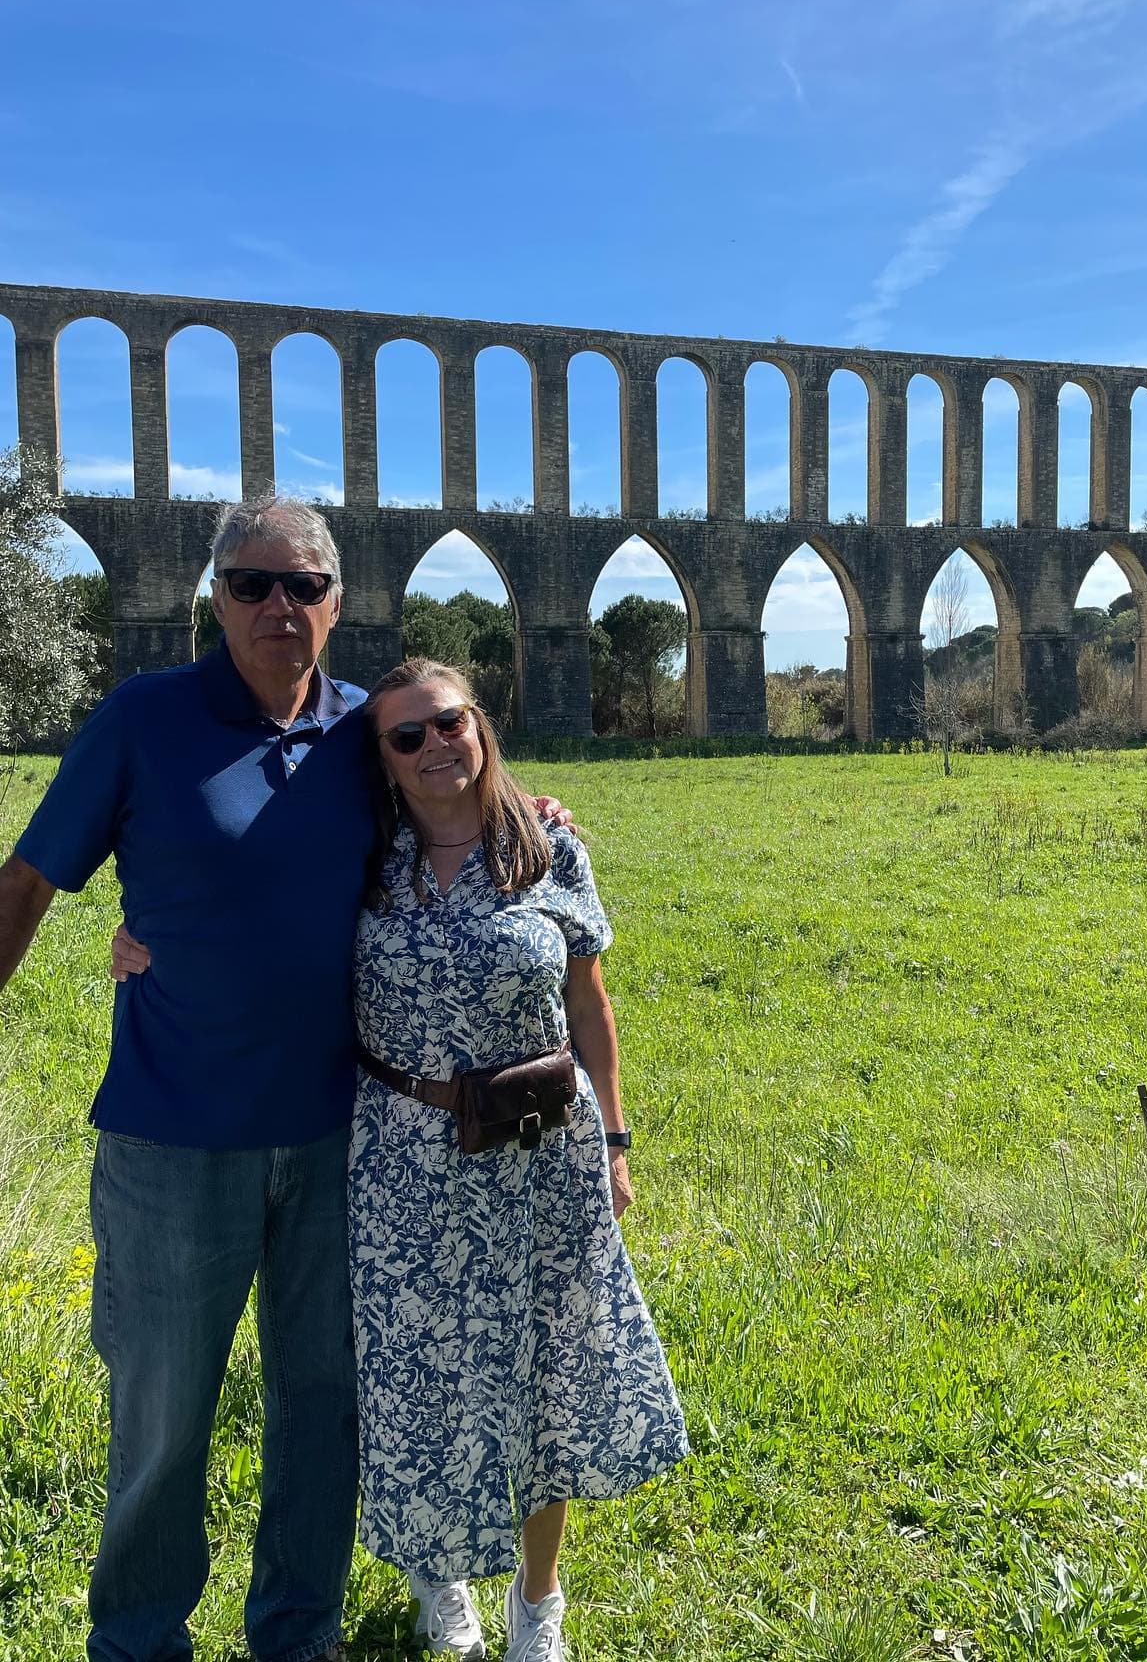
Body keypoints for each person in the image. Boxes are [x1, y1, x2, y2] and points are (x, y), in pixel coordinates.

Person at [0, 495, 570, 1662]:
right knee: (162, 1421)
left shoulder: (369, 735)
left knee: (324, 1411)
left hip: (338, 1140)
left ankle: (295, 1636)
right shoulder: (142, 720)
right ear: (215, 595)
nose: (278, 606)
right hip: (173, 1140)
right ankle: (142, 1641)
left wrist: (537, 811)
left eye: (302, 586)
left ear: (337, 603)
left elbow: (454, 802)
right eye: (252, 583)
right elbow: (29, 882)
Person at [345, 657, 688, 1660]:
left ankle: (539, 1601)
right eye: (405, 737)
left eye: (446, 723)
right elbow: (249, 908)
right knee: (418, 1376)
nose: (431, 747)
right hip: (403, 1152)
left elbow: (589, 1002)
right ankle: (437, 1574)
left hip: (544, 1147)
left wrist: (616, 1142)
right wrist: (146, 931)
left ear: (479, 726)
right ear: (384, 762)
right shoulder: (362, 854)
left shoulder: (551, 847)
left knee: (548, 1379)